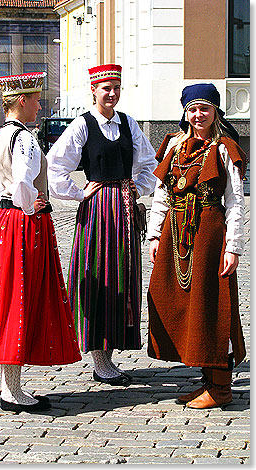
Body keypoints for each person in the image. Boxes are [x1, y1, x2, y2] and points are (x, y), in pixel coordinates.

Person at [0, 72, 81, 413]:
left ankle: (10, 387)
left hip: (3, 222)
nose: (40, 105)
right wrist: (32, 203)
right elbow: (23, 185)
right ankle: (12, 392)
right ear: (22, 101)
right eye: (37, 99)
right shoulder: (26, 140)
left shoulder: (2, 136)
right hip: (24, 225)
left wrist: (17, 201)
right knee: (20, 300)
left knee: (6, 297)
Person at [47, 64, 157, 386]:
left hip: (123, 212)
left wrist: (138, 186)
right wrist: (78, 192)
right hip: (96, 212)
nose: (112, 94)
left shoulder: (128, 123)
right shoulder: (84, 125)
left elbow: (150, 163)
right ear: (93, 90)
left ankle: (108, 357)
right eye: (106, 88)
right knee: (96, 276)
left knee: (122, 278)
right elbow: (56, 164)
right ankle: (100, 359)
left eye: (116, 88)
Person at [147, 83, 246, 408]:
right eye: (193, 109)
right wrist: (154, 234)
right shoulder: (175, 147)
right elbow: (162, 195)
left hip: (210, 236)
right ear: (185, 112)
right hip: (177, 237)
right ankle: (207, 379)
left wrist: (233, 246)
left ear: (215, 111)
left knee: (212, 304)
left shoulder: (223, 148)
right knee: (183, 304)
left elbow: (234, 201)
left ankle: (221, 387)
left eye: (204, 108)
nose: (198, 114)